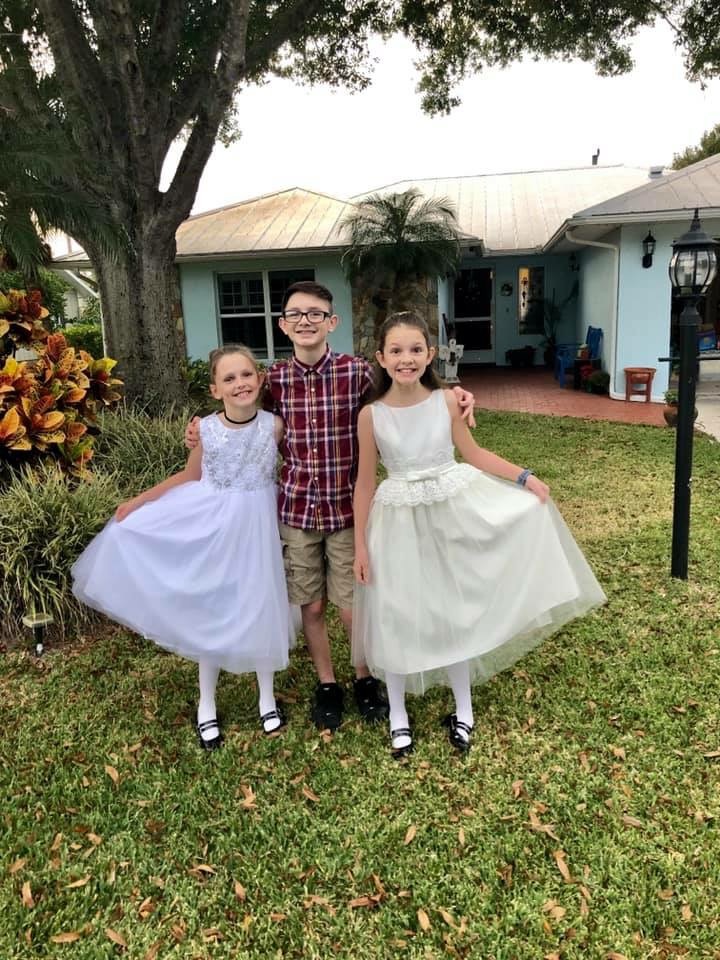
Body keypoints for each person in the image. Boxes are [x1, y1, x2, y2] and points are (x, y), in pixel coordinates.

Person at [185, 281, 476, 730]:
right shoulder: (273, 380)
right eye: (295, 314)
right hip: (297, 510)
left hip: (345, 510)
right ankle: (327, 683)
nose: (305, 321)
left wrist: (457, 393)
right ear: (283, 325)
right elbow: (241, 415)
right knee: (312, 606)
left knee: (351, 606)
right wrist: (200, 430)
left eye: (315, 313)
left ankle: (363, 676)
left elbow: (405, 389)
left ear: (331, 322)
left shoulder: (357, 372)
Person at [352, 312, 607, 758]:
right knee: (396, 610)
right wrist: (360, 545)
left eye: (416, 349)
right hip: (395, 521)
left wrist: (524, 477)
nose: (406, 359)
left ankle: (463, 708)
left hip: (449, 511)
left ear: (430, 354)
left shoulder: (446, 401)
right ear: (381, 357)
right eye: (396, 350)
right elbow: (365, 483)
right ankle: (397, 714)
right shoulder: (371, 415)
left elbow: (472, 453)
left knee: (452, 607)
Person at [72, 345, 292, 750]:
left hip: (258, 526)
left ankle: (266, 697)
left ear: (260, 379)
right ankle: (207, 702)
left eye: (246, 374)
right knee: (212, 607)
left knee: (260, 600)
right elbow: (191, 475)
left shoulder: (275, 426)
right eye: (229, 378)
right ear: (215, 390)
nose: (240, 384)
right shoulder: (205, 429)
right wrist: (140, 501)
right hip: (213, 526)